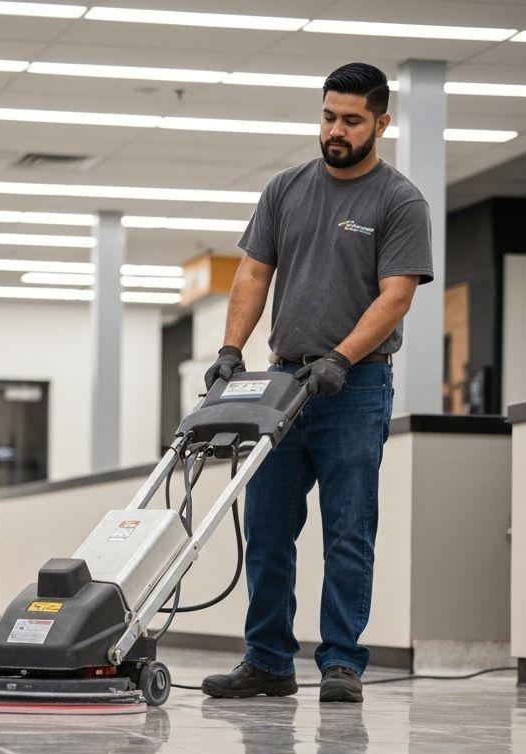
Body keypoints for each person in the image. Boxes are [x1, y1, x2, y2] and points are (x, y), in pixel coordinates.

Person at [201, 62, 433, 704]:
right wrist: (230, 348)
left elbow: (396, 296)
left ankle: (340, 662)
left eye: (352, 120)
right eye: (329, 116)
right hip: (281, 385)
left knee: (348, 528)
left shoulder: (399, 200)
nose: (336, 129)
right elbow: (253, 274)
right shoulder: (286, 188)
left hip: (353, 390)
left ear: (381, 123)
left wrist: (341, 357)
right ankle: (268, 660)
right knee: (270, 526)